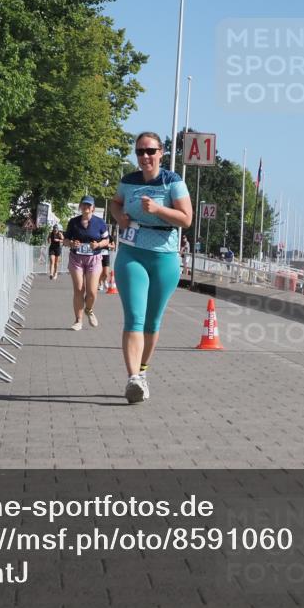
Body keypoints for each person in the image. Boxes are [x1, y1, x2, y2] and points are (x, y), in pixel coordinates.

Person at [110, 132, 192, 404]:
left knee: (152, 321)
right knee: (134, 317)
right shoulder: (129, 181)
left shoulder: (173, 182)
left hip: (164, 257)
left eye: (150, 151)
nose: (145, 156)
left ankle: (143, 372)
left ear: (161, 153)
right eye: (140, 152)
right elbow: (115, 202)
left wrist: (158, 210)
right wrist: (119, 216)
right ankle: (133, 379)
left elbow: (186, 219)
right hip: (132, 253)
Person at [65, 195, 109, 330]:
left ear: (93, 208)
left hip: (94, 259)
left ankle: (89, 309)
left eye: (89, 205)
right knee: (79, 289)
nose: (86, 208)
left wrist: (98, 244)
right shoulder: (73, 222)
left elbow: (107, 240)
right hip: (76, 259)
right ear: (80, 207)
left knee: (91, 292)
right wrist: (72, 243)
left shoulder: (100, 223)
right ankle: (78, 321)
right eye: (84, 205)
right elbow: (65, 241)